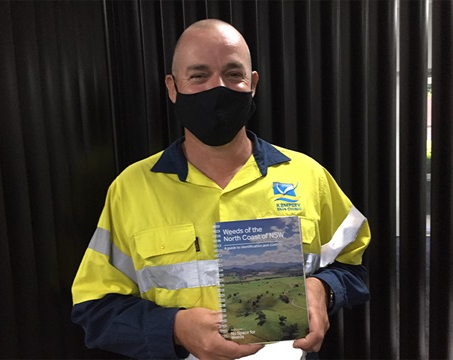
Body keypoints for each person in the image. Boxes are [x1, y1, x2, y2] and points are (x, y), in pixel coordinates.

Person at [71, 19, 370, 360]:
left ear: (252, 83)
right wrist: (174, 328)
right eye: (198, 76)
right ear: (172, 87)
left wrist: (324, 289)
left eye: (233, 74)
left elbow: (353, 265)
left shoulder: (308, 176)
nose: (218, 88)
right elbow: (94, 309)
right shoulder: (130, 189)